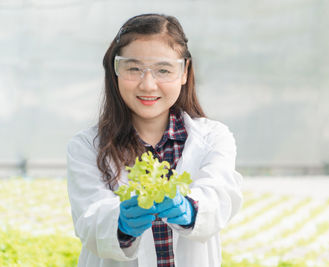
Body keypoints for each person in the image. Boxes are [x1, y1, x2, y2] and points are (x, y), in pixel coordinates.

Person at [67, 13, 243, 267]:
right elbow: (88, 221)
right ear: (115, 71)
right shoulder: (86, 146)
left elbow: (219, 197)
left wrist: (191, 209)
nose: (148, 85)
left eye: (163, 69)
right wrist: (121, 223)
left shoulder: (214, 138)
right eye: (134, 69)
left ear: (185, 72)